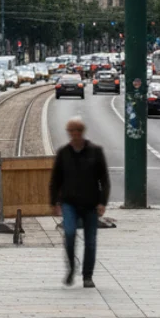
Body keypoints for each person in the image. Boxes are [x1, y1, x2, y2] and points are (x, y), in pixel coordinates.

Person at [48, 117, 110, 288]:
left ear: (82, 133)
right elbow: (55, 179)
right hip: (69, 203)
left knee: (91, 241)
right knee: (69, 234)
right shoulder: (63, 153)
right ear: (69, 133)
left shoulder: (95, 152)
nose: (75, 135)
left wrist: (102, 202)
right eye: (72, 132)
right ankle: (71, 267)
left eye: (78, 132)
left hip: (91, 203)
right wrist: (54, 202)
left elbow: (104, 179)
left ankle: (87, 276)